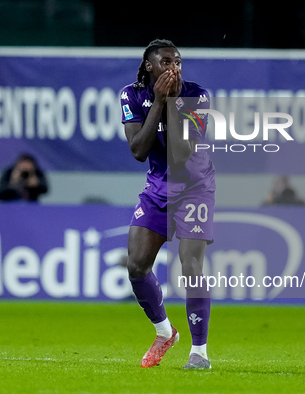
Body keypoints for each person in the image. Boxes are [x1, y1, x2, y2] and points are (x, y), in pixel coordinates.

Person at [120, 39, 215, 369]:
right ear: (150, 66)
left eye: (177, 62)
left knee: (190, 266)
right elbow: (138, 151)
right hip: (158, 188)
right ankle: (164, 332)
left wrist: (172, 102)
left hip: (194, 187)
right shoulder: (131, 95)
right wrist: (159, 102)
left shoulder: (197, 96)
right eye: (165, 62)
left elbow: (181, 153)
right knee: (136, 266)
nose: (173, 67)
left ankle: (199, 352)